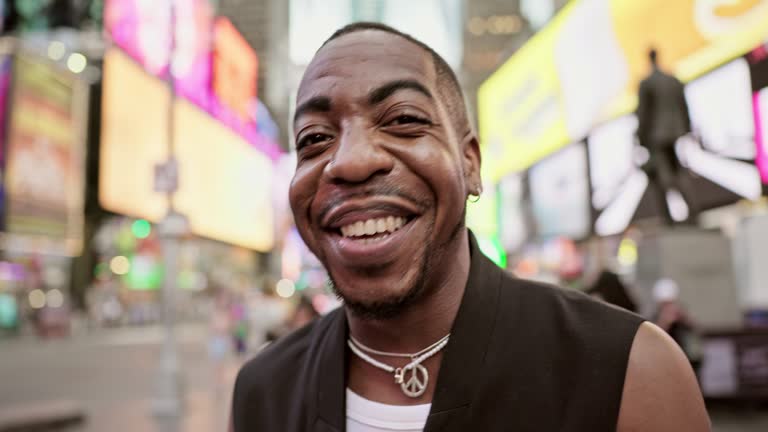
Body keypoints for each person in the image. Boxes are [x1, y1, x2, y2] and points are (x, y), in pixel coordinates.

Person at [231, 23, 710, 431]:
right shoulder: (262, 393)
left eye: (402, 119)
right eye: (314, 138)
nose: (351, 162)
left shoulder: (629, 369)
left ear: (470, 163)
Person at [636, 48, 696, 224]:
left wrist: (640, 139)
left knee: (662, 177)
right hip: (675, 134)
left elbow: (643, 114)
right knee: (678, 172)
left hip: (656, 137)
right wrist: (686, 129)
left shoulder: (647, 83)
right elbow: (684, 107)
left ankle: (669, 219)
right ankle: (692, 213)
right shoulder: (672, 80)